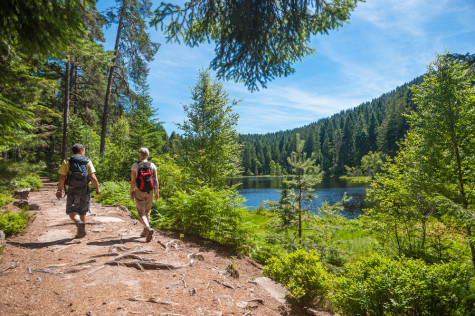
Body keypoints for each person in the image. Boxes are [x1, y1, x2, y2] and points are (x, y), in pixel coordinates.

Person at [56, 143, 100, 238]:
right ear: (81, 151)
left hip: (72, 189)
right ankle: (81, 231)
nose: (84, 152)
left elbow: (62, 177)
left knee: (72, 210)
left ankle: (78, 222)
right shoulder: (87, 161)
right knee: (83, 211)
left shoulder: (67, 161)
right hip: (85, 188)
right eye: (84, 151)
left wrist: (59, 190)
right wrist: (97, 188)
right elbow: (92, 176)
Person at [130, 147, 159, 242]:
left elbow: (133, 181)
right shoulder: (152, 165)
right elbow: (156, 180)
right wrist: (157, 192)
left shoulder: (135, 165)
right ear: (148, 155)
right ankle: (145, 232)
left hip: (139, 190)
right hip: (150, 190)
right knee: (147, 211)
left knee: (141, 213)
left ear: (140, 155)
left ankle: (147, 227)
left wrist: (131, 193)